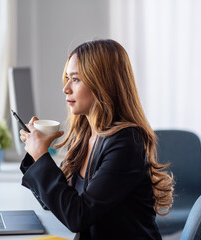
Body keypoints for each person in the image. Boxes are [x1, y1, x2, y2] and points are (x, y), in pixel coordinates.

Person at [19, 39, 174, 240]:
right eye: (67, 78)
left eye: (75, 79)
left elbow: (78, 216)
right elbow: (56, 204)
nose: (66, 88)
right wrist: (35, 154)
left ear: (102, 84)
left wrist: (42, 156)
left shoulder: (126, 143)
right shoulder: (86, 134)